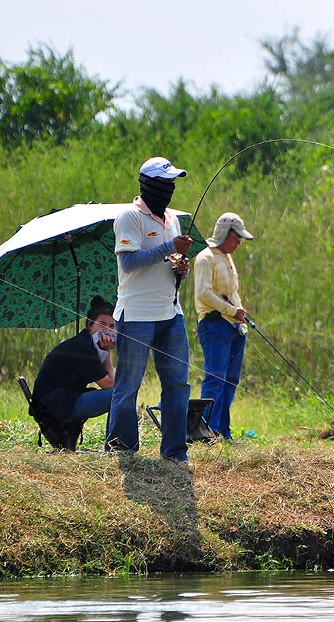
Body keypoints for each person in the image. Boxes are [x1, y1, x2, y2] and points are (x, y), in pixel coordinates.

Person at [105, 156, 194, 462]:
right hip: (137, 316)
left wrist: (181, 268)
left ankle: (174, 451)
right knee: (128, 385)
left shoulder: (172, 219)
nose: (170, 189)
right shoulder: (130, 217)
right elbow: (128, 263)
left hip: (171, 315)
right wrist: (170, 248)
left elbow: (168, 262)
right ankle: (122, 449)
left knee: (178, 384)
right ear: (149, 185)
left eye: (173, 183)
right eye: (165, 183)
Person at [193, 212, 255, 441]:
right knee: (215, 378)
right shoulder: (205, 258)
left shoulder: (226, 257)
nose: (239, 243)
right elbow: (203, 293)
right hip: (215, 324)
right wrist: (231, 311)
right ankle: (206, 431)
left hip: (234, 325)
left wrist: (240, 311)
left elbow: (231, 292)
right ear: (226, 233)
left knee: (230, 380)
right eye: (236, 237)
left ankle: (222, 431)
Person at [31, 295, 116, 429]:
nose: (108, 330)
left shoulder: (87, 344)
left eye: (112, 326)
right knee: (119, 395)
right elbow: (109, 384)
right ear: (89, 324)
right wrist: (108, 350)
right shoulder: (83, 347)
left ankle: (115, 441)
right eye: (102, 324)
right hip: (53, 407)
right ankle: (117, 443)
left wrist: (105, 349)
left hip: (59, 402)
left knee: (120, 393)